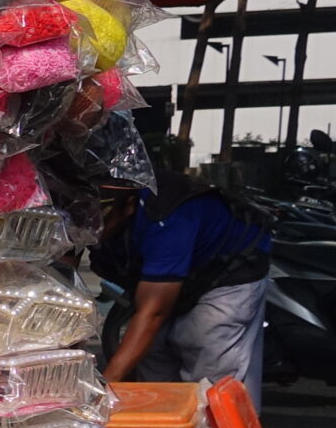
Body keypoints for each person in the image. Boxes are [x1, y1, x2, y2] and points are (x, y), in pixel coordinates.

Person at [96, 165, 273, 400]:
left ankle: (212, 421)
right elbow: (63, 276)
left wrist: (100, 391)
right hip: (168, 271)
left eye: (100, 222)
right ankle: (160, 415)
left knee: (206, 350)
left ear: (129, 206)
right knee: (151, 355)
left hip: (228, 266)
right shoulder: (81, 208)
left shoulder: (167, 217)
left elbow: (153, 313)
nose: (91, 229)